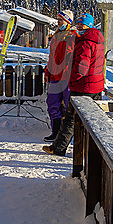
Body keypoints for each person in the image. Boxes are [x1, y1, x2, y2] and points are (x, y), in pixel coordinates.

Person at [47, 13, 105, 156]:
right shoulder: (97, 41)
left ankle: (60, 148)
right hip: (95, 85)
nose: (79, 27)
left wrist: (71, 80)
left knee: (71, 119)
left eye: (82, 25)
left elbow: (81, 68)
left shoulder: (85, 42)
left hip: (82, 85)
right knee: (90, 120)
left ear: (89, 26)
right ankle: (87, 149)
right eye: (78, 24)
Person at [43, 10, 76, 143]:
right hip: (55, 76)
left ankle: (67, 135)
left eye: (61, 20)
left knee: (68, 106)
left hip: (67, 77)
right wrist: (47, 72)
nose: (58, 22)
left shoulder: (73, 36)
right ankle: (55, 132)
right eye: (58, 20)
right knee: (52, 104)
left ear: (68, 21)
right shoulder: (56, 36)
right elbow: (51, 57)